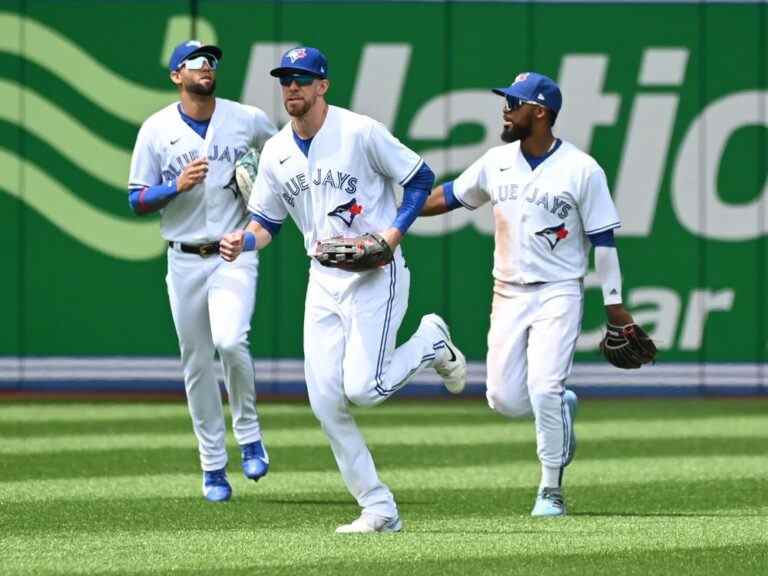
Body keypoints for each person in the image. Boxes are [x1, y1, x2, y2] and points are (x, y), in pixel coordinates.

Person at [220, 46, 467, 533]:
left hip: (376, 272)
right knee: (326, 402)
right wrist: (243, 239)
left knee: (365, 389)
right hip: (323, 278)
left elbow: (419, 178)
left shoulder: (359, 131)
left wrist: (392, 235)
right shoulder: (276, 152)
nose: (292, 87)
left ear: (322, 86)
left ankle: (431, 343)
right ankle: (378, 507)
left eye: (301, 79)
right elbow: (267, 221)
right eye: (286, 79)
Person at [421, 72, 638, 517]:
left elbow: (604, 241)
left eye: (514, 102)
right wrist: (398, 210)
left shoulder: (581, 169)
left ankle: (550, 488)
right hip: (507, 292)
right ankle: (562, 410)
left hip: (559, 291)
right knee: (504, 399)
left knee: (543, 388)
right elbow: (448, 196)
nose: (506, 109)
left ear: (540, 112)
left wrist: (614, 306)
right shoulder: (496, 160)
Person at [128, 40, 277, 502]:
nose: (206, 68)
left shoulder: (245, 119)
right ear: (176, 75)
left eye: (211, 61)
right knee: (196, 364)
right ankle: (213, 466)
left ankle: (249, 434)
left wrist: (257, 182)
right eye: (194, 63)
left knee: (231, 341)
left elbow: (280, 160)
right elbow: (136, 199)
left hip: (234, 249)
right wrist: (174, 186)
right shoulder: (156, 129)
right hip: (184, 255)